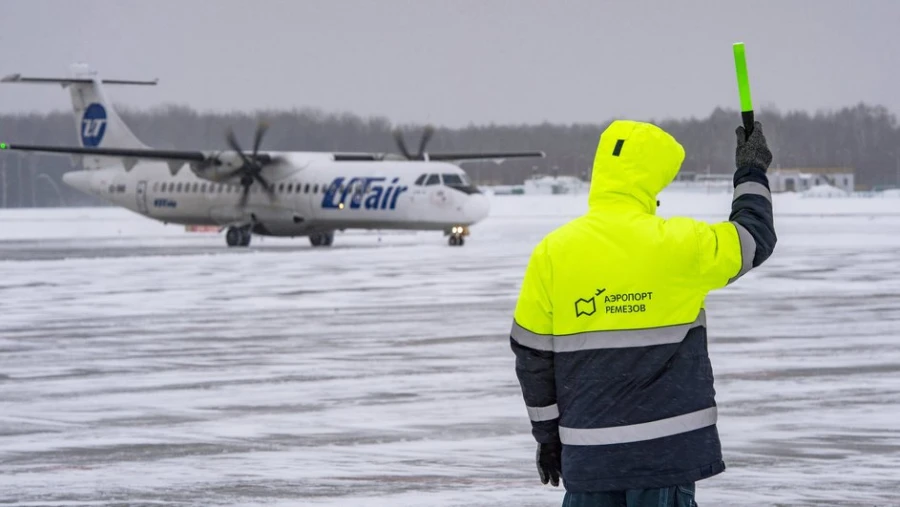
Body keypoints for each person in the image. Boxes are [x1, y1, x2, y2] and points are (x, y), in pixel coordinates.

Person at [509, 120, 776, 506]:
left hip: (589, 459)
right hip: (663, 460)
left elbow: (531, 357)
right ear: (654, 178)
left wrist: (548, 437)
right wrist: (751, 170)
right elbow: (754, 237)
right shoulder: (681, 244)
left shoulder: (552, 253)